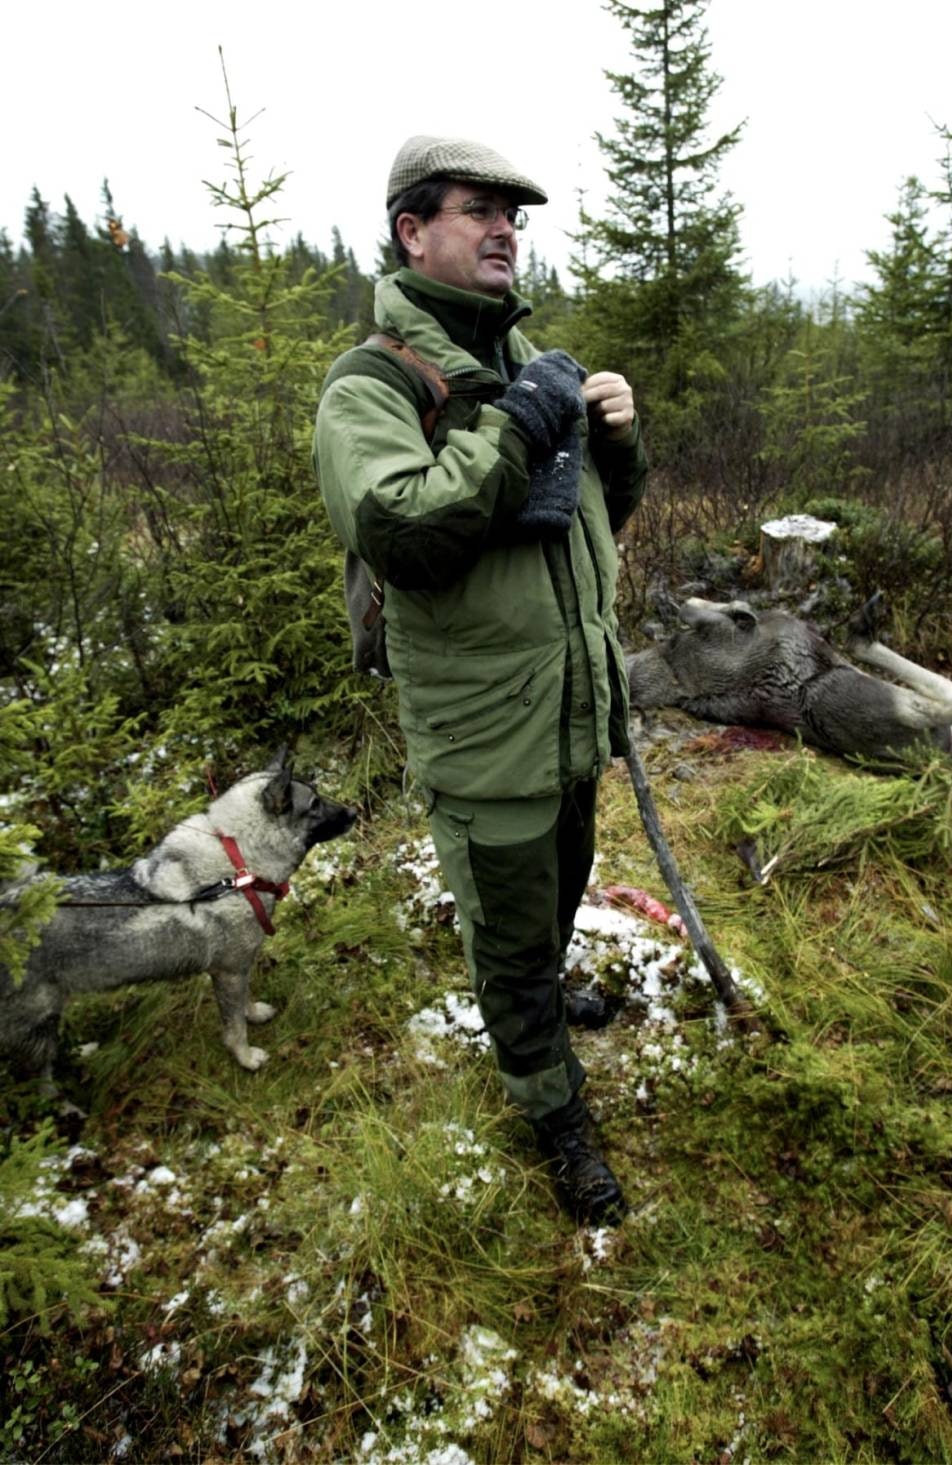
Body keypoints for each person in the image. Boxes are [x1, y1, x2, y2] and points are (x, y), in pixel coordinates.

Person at [313, 135, 647, 1225]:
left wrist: (616, 446)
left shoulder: (524, 362)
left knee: (550, 901)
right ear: (412, 232)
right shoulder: (371, 385)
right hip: (483, 737)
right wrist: (520, 421)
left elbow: (583, 533)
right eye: (477, 209)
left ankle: (543, 1009)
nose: (505, 227)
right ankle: (549, 1106)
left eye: (514, 213)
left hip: (567, 712)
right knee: (506, 944)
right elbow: (407, 534)